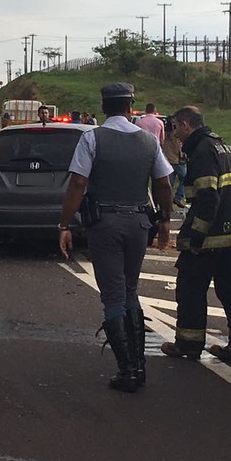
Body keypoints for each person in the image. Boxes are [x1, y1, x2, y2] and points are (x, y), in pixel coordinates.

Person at [58, 83, 174, 393]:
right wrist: (164, 219)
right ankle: (139, 365)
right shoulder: (149, 141)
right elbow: (163, 184)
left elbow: (78, 183)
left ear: (104, 106)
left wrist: (65, 224)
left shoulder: (92, 138)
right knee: (130, 291)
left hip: (105, 224)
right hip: (138, 223)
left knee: (112, 295)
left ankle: (128, 371)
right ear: (130, 107)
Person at [160, 107, 231, 362]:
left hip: (210, 239)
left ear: (185, 125)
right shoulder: (225, 147)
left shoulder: (202, 151)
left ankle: (188, 344)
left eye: (175, 128)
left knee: (190, 289)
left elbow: (208, 198)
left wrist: (196, 237)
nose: (175, 135)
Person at [161, 116, 187, 208]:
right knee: (185, 178)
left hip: (168, 162)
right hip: (178, 161)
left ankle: (168, 204)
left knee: (169, 184)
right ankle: (179, 197)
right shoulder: (177, 136)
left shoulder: (163, 135)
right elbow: (179, 149)